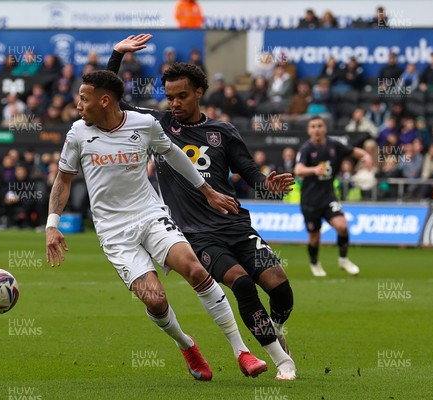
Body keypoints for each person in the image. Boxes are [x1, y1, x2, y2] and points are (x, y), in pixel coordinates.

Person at [46, 70, 267, 381]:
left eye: (84, 98)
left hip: (150, 215)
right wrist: (52, 225)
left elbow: (173, 154)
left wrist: (207, 191)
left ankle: (242, 351)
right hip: (114, 231)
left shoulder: (144, 125)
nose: (78, 104)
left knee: (195, 269)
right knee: (155, 298)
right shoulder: (78, 134)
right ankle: (186, 344)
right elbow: (63, 180)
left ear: (104, 100)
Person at [107, 34, 297, 380]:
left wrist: (266, 183)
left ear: (199, 92)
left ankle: (277, 326)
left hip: (236, 226)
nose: (175, 103)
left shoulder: (222, 131)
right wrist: (117, 56)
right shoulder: (158, 125)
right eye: (170, 97)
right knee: (240, 284)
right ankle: (281, 360)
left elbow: (249, 172)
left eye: (182, 96)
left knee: (281, 288)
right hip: (197, 234)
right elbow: (112, 99)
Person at [295, 116, 373, 277]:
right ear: (309, 130)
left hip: (329, 197)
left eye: (319, 126)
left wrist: (365, 155)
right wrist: (314, 170)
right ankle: (315, 263)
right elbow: (298, 170)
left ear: (325, 128)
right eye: (313, 126)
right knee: (314, 239)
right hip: (310, 201)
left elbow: (352, 151)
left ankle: (343, 259)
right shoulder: (306, 149)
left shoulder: (334, 145)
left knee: (342, 226)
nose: (317, 129)